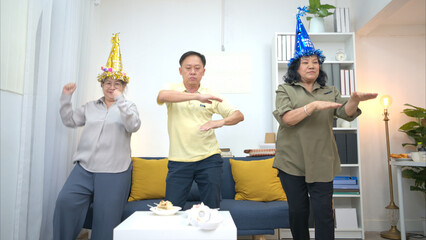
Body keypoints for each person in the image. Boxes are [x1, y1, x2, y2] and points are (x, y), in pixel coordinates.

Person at [272, 9, 377, 240]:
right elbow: (287, 119)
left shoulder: (330, 91)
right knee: (298, 213)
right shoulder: (285, 89)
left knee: (324, 214)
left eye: (316, 62)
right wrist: (313, 106)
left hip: (322, 161)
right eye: (306, 62)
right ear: (296, 68)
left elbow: (346, 113)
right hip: (292, 161)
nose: (312, 65)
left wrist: (355, 99)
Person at [53, 33, 141, 240]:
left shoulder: (128, 108)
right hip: (84, 168)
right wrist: (66, 97)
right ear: (101, 85)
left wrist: (122, 100)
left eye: (117, 84)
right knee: (64, 202)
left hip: (115, 170)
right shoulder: (90, 107)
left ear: (123, 87)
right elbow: (69, 121)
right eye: (108, 83)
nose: (112, 87)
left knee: (106, 219)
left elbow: (134, 125)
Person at [157, 51, 244, 209]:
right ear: (180, 71)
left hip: (209, 159)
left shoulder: (211, 94)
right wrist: (197, 96)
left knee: (212, 209)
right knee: (171, 209)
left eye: (197, 68)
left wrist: (220, 122)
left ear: (203, 71)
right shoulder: (171, 89)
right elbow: (163, 96)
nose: (192, 71)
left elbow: (238, 115)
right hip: (179, 161)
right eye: (188, 67)